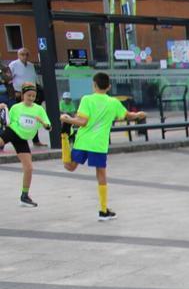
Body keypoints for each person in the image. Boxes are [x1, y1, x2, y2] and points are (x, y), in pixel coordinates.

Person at [59, 72, 146, 221]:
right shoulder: (113, 102)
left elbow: (83, 121)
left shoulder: (87, 99)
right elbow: (128, 115)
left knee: (70, 166)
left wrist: (68, 119)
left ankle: (64, 140)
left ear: (94, 84)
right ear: (109, 86)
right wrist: (138, 114)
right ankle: (103, 210)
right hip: (99, 145)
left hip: (83, 141)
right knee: (101, 175)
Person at [3, 82, 50, 207]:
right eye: (28, 95)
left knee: (29, 168)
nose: (31, 98)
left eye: (33, 96)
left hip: (23, 139)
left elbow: (49, 127)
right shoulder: (16, 107)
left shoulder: (39, 109)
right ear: (23, 95)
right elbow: (8, 123)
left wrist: (43, 123)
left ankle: (24, 196)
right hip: (13, 131)